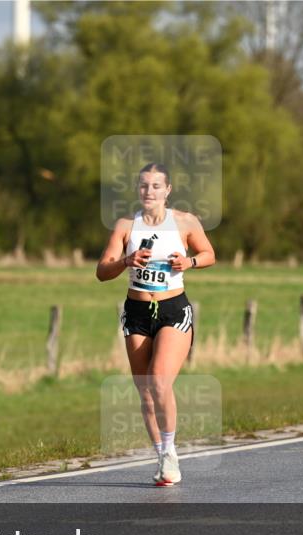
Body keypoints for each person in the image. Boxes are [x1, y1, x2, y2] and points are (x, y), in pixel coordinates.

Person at [95, 162, 216, 486]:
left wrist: (188, 261)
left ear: (168, 190)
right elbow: (102, 271)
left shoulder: (185, 221)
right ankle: (163, 453)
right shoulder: (125, 226)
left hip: (173, 309)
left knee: (159, 380)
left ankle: (171, 450)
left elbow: (208, 254)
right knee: (146, 392)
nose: (150, 191)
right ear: (138, 190)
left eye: (156, 186)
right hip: (136, 311)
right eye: (144, 186)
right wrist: (125, 261)